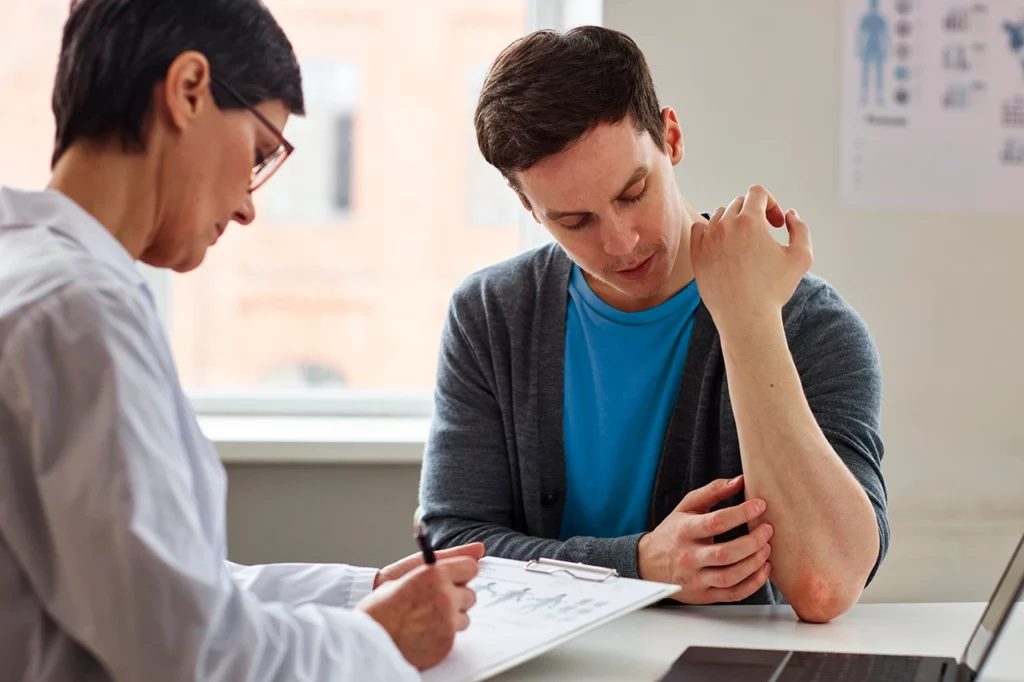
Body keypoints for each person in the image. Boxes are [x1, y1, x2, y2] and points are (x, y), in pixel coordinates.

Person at [0, 1, 482, 680]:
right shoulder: (79, 314)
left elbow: (164, 586)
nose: (250, 206)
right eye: (259, 153)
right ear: (188, 90)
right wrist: (378, 640)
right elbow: (189, 654)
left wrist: (359, 596)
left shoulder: (30, 276)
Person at [419, 26, 889, 624]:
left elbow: (824, 586)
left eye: (633, 192)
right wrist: (636, 566)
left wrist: (748, 321)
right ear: (528, 209)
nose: (620, 242)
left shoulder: (808, 325)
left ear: (670, 137)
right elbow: (450, 548)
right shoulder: (490, 315)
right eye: (573, 221)